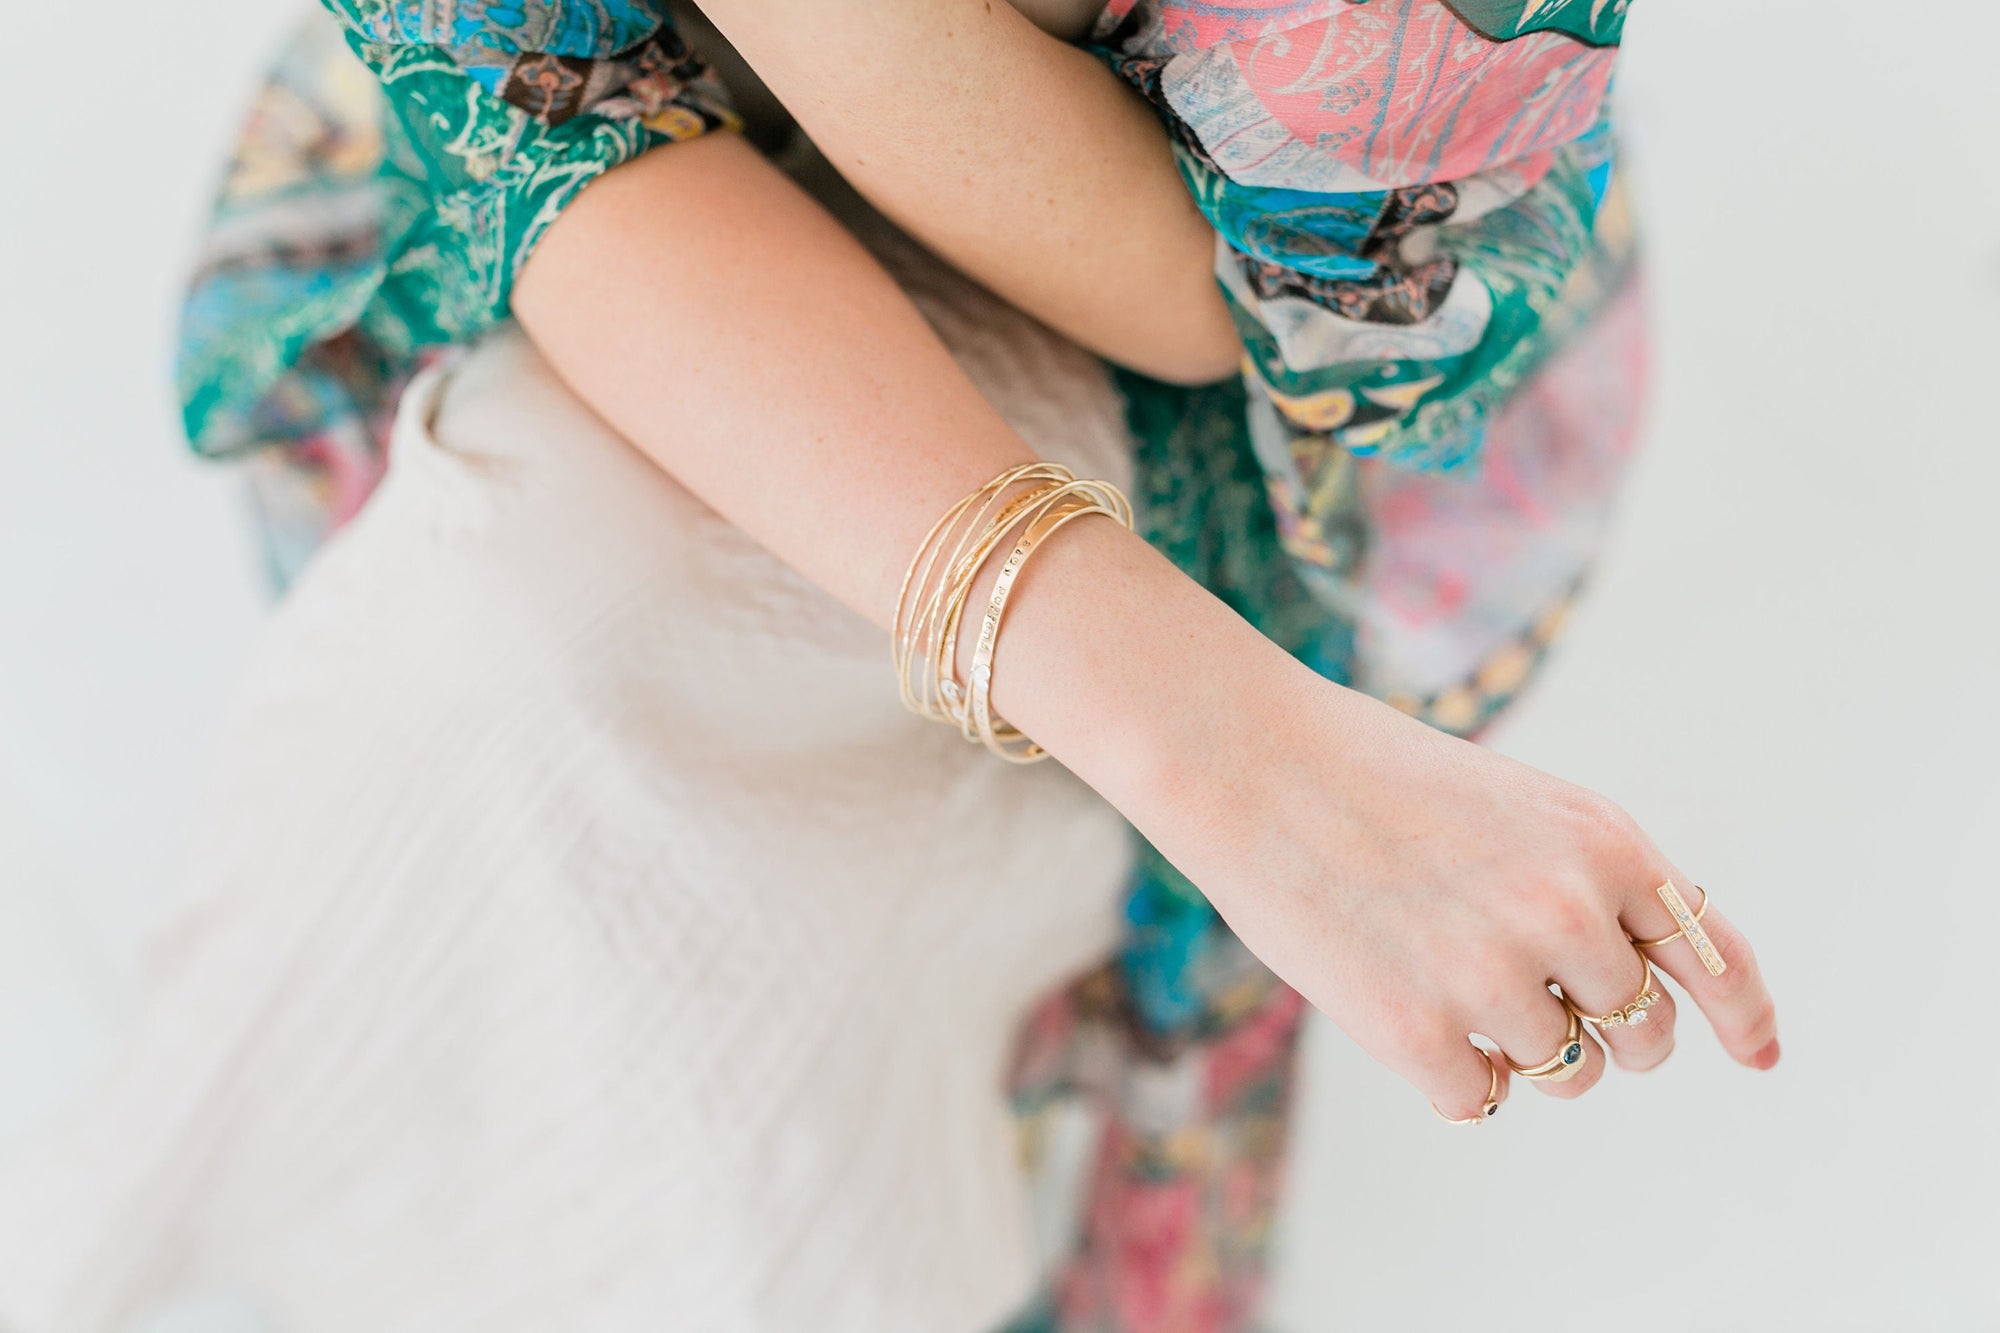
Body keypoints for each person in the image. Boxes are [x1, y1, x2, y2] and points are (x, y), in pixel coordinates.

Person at [0, 2, 1780, 1330]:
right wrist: (1241, 757)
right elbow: (544, 131)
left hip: (1238, 368)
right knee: (520, 655)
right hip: (549, 227)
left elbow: (1228, 308)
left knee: (613, 712)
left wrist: (1232, 739)